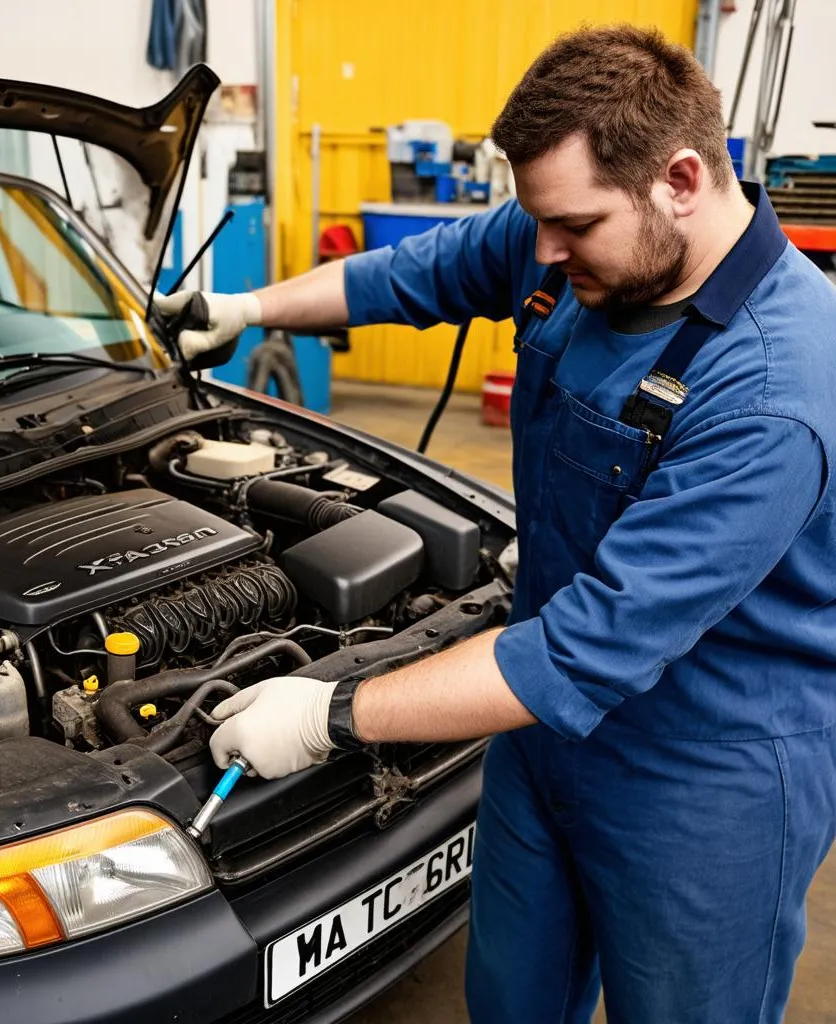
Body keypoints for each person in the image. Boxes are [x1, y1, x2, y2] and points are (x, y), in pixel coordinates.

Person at [155, 25, 836, 1023]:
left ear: (682, 179)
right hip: (539, 736)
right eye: (537, 220)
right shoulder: (569, 234)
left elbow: (580, 654)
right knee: (512, 998)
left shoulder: (773, 388)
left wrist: (325, 715)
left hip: (705, 770)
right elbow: (411, 273)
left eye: (571, 224)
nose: (542, 246)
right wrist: (247, 305)